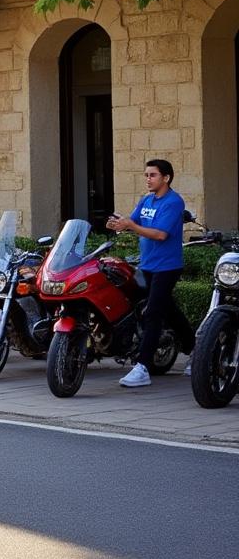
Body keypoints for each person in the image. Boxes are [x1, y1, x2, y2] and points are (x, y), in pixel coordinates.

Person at [107, 159, 187, 389]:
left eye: (152, 175)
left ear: (166, 178)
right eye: (146, 175)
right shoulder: (147, 200)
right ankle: (195, 349)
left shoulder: (173, 202)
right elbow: (135, 222)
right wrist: (119, 224)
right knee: (168, 310)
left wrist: (131, 226)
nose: (148, 179)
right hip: (149, 265)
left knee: (152, 313)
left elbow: (160, 234)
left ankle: (142, 367)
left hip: (167, 267)